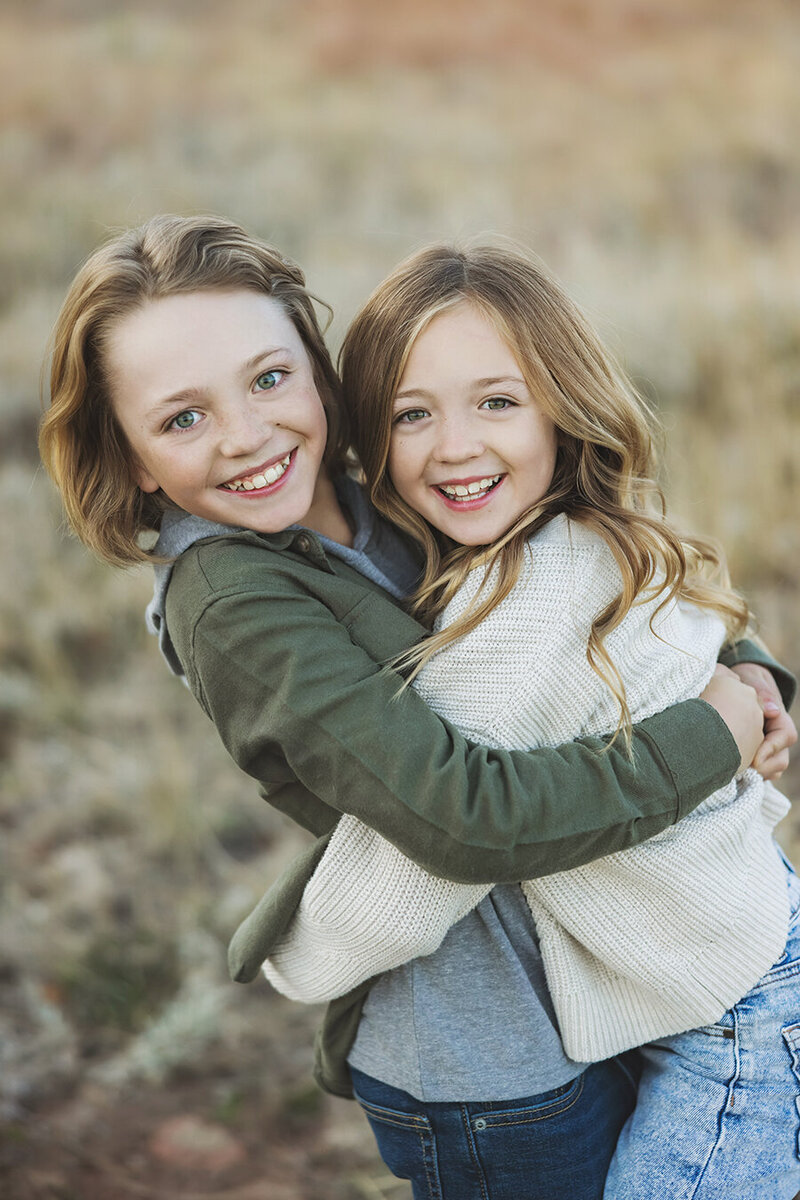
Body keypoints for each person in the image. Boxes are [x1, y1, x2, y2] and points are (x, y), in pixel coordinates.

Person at [38, 215, 794, 1200]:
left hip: (610, 978)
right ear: (133, 454)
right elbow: (459, 812)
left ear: (318, 371)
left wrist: (747, 668)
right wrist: (714, 730)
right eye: (181, 418)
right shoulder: (232, 599)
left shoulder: (381, 488)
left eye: (269, 379)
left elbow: (589, 586)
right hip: (485, 1051)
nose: (248, 436)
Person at [259, 242, 800, 1200]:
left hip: (741, 1013)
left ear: (564, 403)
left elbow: (421, 864)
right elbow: (713, 615)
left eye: (497, 401)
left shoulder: (534, 599)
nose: (455, 445)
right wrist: (750, 675)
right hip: (709, 975)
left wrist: (301, 957)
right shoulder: (568, 533)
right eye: (410, 414)